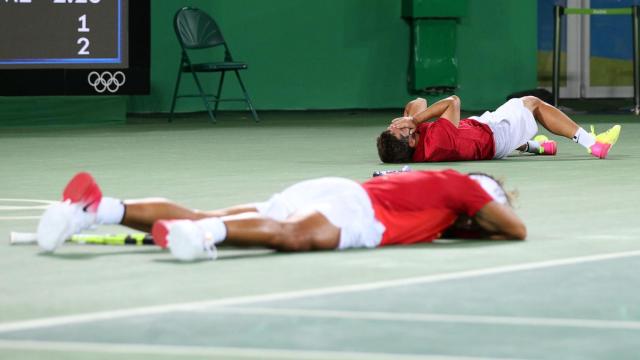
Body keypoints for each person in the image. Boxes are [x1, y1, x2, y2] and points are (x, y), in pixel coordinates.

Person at [37, 171, 526, 261]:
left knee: (211, 211)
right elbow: (516, 230)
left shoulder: (433, 190)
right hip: (360, 211)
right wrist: (475, 226)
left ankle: (96, 208)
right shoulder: (466, 189)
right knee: (293, 237)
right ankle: (200, 235)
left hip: (330, 187)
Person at [376, 96, 621, 163]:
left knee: (486, 130)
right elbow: (453, 101)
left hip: (483, 138)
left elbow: (419, 102)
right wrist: (415, 121)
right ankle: (592, 143)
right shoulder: (437, 140)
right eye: (397, 130)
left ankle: (539, 146)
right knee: (532, 103)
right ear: (410, 141)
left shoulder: (414, 147)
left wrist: (407, 120)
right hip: (494, 135)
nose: (396, 127)